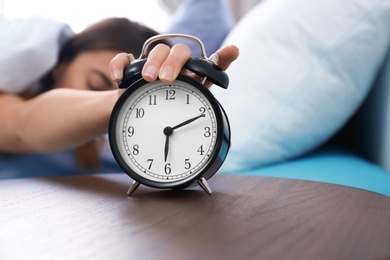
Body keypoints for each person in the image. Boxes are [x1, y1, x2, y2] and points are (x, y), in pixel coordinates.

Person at [0, 15, 239, 177]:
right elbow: (22, 123)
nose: (90, 100)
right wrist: (122, 101)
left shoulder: (121, 154)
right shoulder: (26, 58)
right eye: (94, 84)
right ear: (62, 63)